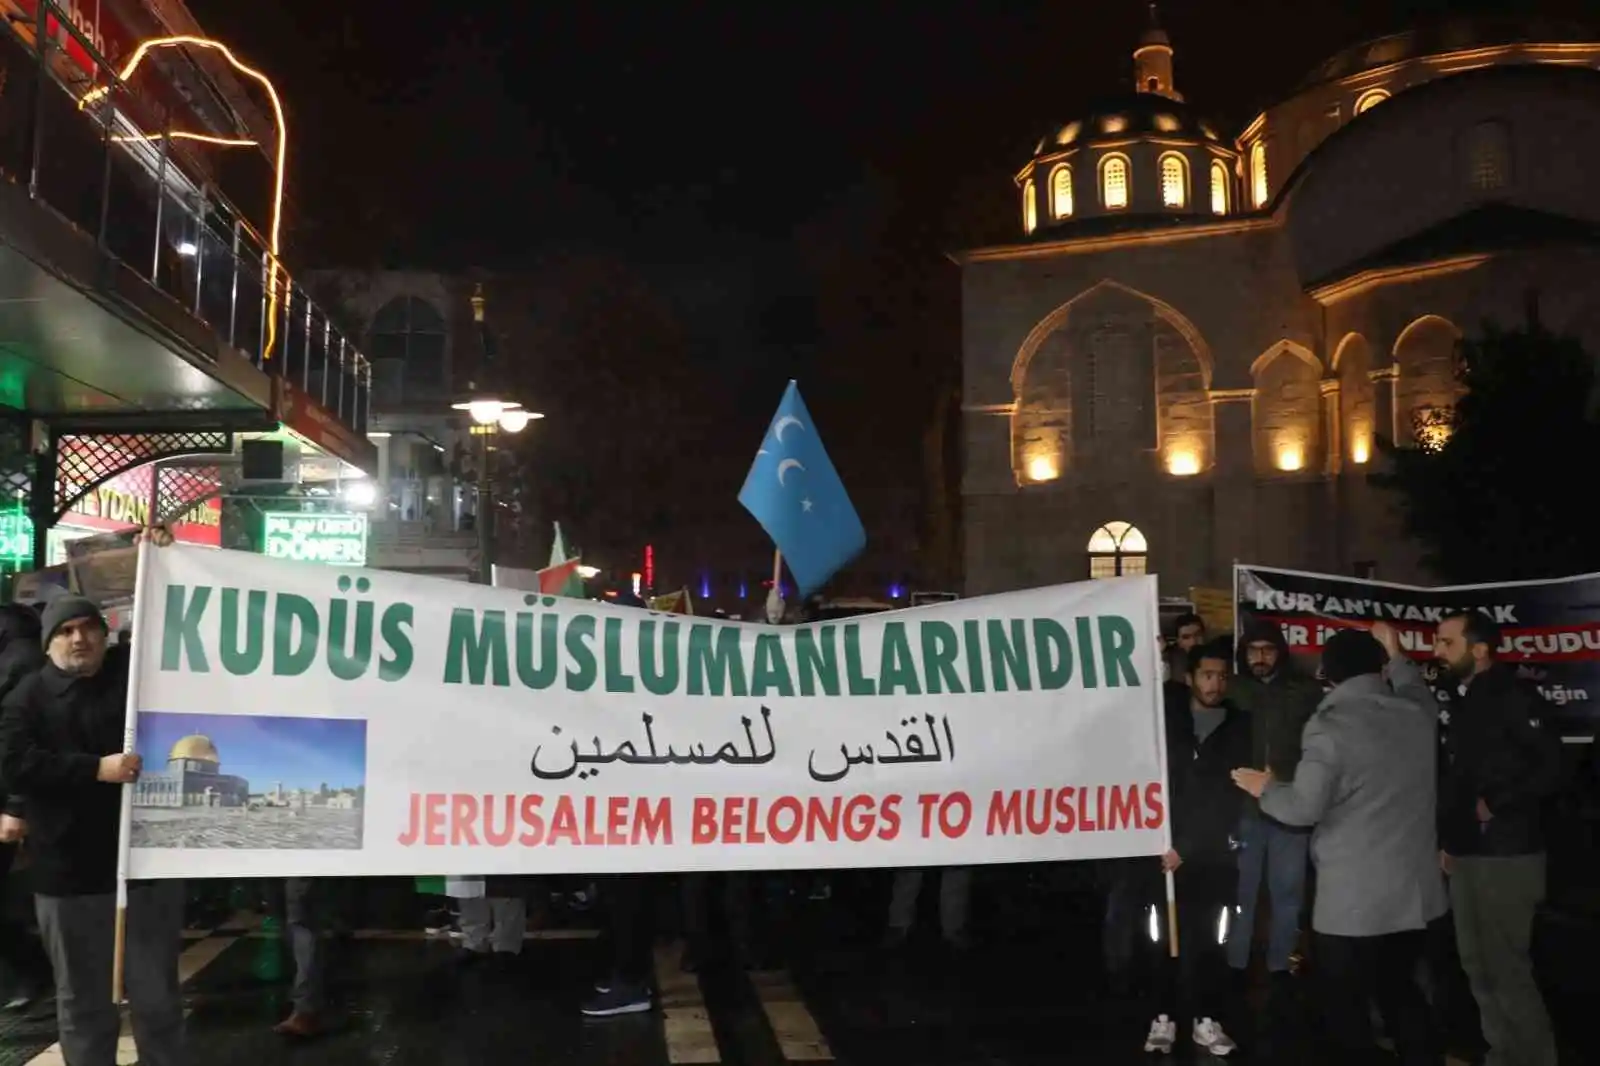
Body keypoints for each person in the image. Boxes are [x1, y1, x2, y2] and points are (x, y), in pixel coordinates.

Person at [1233, 623, 1447, 1066]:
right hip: (1416, 897)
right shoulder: (1416, 713)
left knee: (1347, 1015)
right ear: (1377, 668)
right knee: (1402, 995)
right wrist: (1397, 654)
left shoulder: (1330, 727)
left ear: (1327, 674)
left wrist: (1266, 788)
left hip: (1354, 904)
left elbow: (1302, 808)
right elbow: (1415, 690)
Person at [0, 585, 186, 1066]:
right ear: (48, 643)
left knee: (157, 998)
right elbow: (18, 765)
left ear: (106, 636)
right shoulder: (26, 698)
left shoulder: (132, 676)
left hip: (144, 868)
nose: (78, 638)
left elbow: (165, 627)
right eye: (65, 631)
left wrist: (160, 554)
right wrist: (94, 769)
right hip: (69, 877)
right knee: (84, 1003)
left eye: (88, 629)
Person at [1433, 611, 1560, 1066]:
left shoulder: (1515, 696)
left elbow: (1550, 768)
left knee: (1508, 968)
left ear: (1480, 648)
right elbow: (1457, 779)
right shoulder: (1460, 699)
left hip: (1508, 852)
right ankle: (1503, 1054)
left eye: (1447, 642)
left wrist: (1498, 804)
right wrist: (1449, 841)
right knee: (1477, 966)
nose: (1437, 651)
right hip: (1467, 853)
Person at [1137, 641, 1249, 1058]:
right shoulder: (1167, 720)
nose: (1215, 683)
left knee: (1210, 940)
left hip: (1212, 857)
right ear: (1189, 678)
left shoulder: (1240, 726)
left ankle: (1206, 1018)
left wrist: (1188, 846)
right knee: (1160, 940)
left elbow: (1228, 795)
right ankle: (1162, 1017)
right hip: (1161, 855)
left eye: (1222, 676)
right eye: (1207, 674)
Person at [1226, 620, 1320, 996]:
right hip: (1243, 810)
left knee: (1287, 893)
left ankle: (1280, 966)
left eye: (1267, 649)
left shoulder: (1304, 692)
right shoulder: (1233, 690)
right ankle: (1236, 965)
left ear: (1281, 651)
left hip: (1290, 808)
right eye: (1253, 650)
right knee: (1241, 894)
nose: (1260, 657)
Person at [0, 602, 52, 1012]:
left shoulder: (19, 658)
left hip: (12, 795)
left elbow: (23, 736)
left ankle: (34, 968)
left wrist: (16, 803)